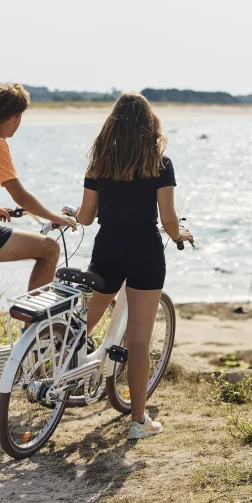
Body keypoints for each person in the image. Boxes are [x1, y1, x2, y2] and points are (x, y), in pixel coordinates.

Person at [75, 93, 193, 441]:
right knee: (139, 340)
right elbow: (169, 220)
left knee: (81, 325)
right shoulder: (160, 163)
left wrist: (69, 215)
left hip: (108, 247)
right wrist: (182, 233)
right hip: (144, 250)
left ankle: (56, 376)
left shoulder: (98, 163)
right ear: (149, 124)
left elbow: (85, 217)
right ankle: (138, 420)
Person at [0, 84, 76, 298]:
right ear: (17, 117)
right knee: (49, 249)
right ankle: (32, 326)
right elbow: (21, 196)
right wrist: (55, 217)